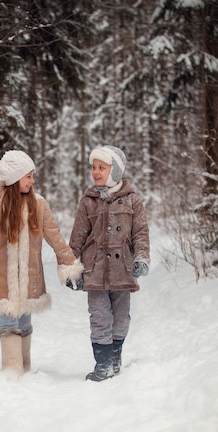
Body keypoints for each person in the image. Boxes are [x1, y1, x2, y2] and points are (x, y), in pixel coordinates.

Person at [0, 150, 84, 376]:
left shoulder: (39, 206)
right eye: (28, 176)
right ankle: (12, 370)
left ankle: (25, 368)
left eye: (33, 175)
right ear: (14, 179)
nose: (33, 180)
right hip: (3, 280)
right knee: (9, 322)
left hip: (31, 278)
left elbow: (55, 237)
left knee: (24, 321)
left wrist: (70, 265)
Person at [68, 145, 150, 382]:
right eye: (93, 167)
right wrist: (72, 269)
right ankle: (102, 364)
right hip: (95, 271)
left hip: (122, 270)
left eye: (102, 167)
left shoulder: (132, 201)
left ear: (115, 171)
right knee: (100, 316)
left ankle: (115, 356)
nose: (96, 172)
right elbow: (77, 237)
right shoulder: (88, 201)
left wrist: (141, 258)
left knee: (121, 317)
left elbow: (141, 233)